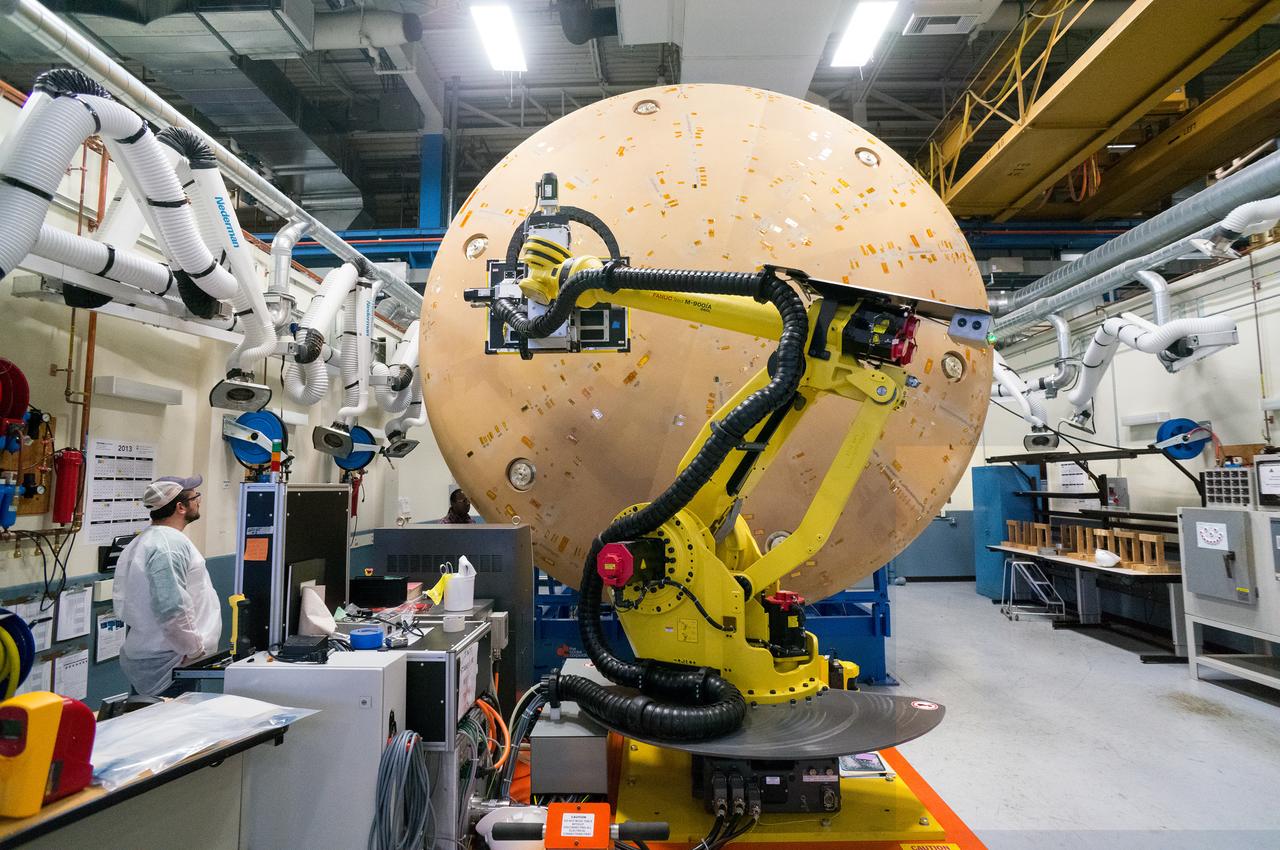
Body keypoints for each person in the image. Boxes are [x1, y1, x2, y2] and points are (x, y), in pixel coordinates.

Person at [113, 475, 221, 697]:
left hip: (161, 658)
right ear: (180, 507)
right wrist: (194, 650)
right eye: (195, 497)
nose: (199, 501)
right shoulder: (168, 546)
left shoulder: (146, 541)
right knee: (169, 727)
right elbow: (171, 607)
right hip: (173, 665)